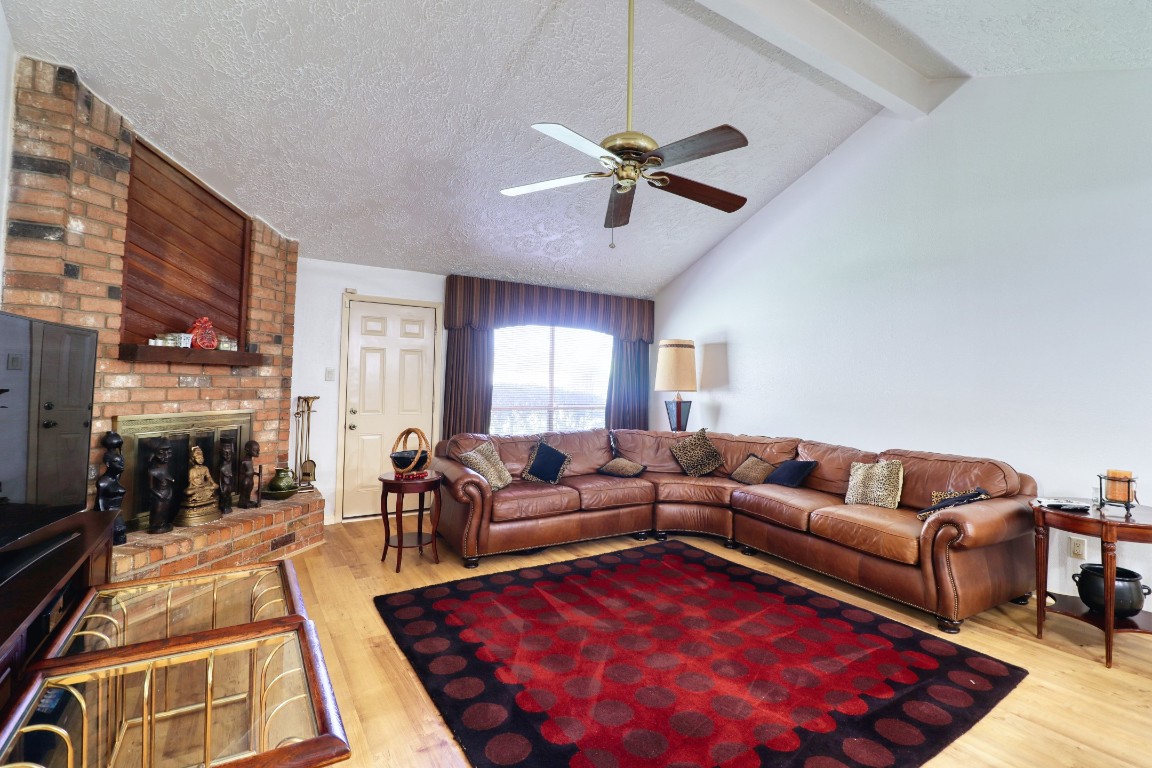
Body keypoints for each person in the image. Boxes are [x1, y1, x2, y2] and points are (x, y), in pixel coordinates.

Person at [147, 438, 175, 533]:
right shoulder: (152, 471)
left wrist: (169, 492)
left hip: (167, 494)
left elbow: (168, 478)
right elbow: (150, 488)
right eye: (161, 453)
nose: (166, 456)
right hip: (159, 496)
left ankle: (164, 523)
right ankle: (155, 525)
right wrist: (160, 495)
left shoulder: (165, 467)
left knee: (165, 510)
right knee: (157, 510)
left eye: (169, 452)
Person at [239, 439, 261, 508]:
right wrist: (248, 473)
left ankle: (247, 501)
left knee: (248, 492)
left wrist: (255, 473)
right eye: (255, 450)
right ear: (247, 450)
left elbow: (250, 470)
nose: (258, 452)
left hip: (250, 479)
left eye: (258, 450)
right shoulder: (244, 461)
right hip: (245, 480)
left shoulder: (250, 459)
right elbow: (241, 471)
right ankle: (242, 502)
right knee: (244, 492)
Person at [218, 440, 235, 514]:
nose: (228, 455)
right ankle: (223, 507)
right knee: (224, 497)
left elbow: (231, 476)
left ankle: (228, 506)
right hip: (224, 486)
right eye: (225, 453)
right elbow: (219, 480)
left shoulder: (230, 464)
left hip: (229, 485)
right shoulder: (221, 467)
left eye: (230, 453)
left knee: (229, 496)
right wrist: (221, 489)